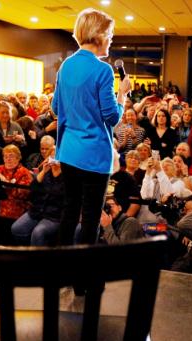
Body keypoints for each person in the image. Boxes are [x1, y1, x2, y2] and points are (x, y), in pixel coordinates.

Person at [52, 8, 131, 245]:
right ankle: (84, 279)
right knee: (90, 219)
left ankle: (60, 271)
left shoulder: (66, 65)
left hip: (68, 152)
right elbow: (112, 117)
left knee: (69, 212)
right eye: (110, 34)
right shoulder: (102, 70)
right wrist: (122, 95)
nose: (111, 38)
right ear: (98, 34)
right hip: (94, 156)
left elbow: (56, 108)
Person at [11, 148, 64, 246]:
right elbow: (32, 192)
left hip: (54, 215)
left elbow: (61, 194)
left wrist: (59, 170)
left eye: (57, 157)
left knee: (38, 232)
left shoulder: (67, 176)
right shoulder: (45, 172)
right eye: (51, 156)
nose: (54, 159)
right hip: (37, 210)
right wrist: (43, 172)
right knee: (16, 228)